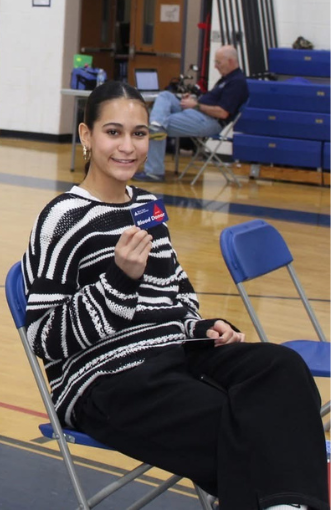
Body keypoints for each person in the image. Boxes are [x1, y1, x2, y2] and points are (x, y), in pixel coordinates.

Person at [22, 81, 328, 509]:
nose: (128, 146)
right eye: (113, 132)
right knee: (239, 420)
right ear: (86, 136)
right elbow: (45, 338)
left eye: (139, 133)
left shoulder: (148, 206)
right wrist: (119, 282)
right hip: (104, 380)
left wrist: (200, 327)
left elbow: (175, 296)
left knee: (283, 370)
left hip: (172, 356)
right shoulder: (61, 218)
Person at [136, 44, 249, 181]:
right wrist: (194, 100)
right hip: (198, 113)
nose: (215, 66)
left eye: (218, 62)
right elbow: (211, 102)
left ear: (230, 61)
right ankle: (157, 124)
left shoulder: (237, 83)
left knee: (152, 125)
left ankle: (154, 172)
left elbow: (222, 113)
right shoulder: (226, 78)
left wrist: (196, 105)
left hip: (208, 121)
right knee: (165, 96)